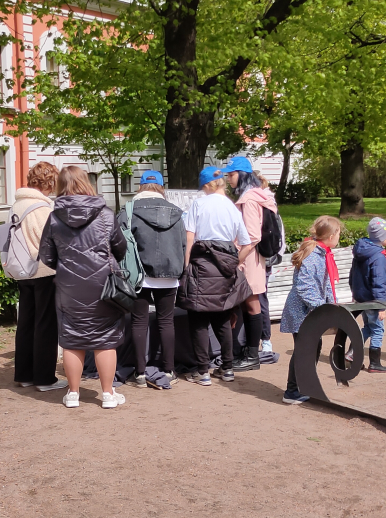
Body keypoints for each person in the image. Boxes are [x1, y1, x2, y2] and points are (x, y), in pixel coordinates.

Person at [39, 165, 128, 408]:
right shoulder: (106, 214)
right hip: (102, 285)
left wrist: (66, 265)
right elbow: (120, 247)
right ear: (87, 182)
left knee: (72, 338)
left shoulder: (54, 216)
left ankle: (73, 393)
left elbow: (46, 255)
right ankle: (108, 394)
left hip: (69, 285)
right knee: (105, 338)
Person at [180, 167, 251, 385]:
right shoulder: (232, 207)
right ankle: (227, 368)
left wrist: (185, 265)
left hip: (201, 265)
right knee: (222, 318)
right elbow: (248, 244)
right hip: (225, 266)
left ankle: (202, 372)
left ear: (205, 186)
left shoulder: (199, 204)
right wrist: (235, 262)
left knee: (199, 319)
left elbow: (189, 236)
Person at [119, 169, 186, 388]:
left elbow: (118, 243)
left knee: (139, 322)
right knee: (166, 321)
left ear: (140, 187)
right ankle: (168, 370)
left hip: (138, 275)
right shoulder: (176, 211)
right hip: (169, 274)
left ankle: (139, 373)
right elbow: (183, 244)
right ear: (161, 187)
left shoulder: (128, 211)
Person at [10, 160, 68, 393]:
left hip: (21, 269)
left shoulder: (16, 206)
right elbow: (53, 241)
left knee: (25, 321)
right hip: (43, 269)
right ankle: (44, 378)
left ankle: (24, 374)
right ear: (50, 182)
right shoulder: (42, 209)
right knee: (46, 324)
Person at [223, 155, 280, 371]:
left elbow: (252, 235)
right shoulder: (260, 196)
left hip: (249, 258)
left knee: (251, 303)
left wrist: (237, 259)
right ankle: (248, 353)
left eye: (232, 174)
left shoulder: (249, 200)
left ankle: (251, 355)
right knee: (250, 303)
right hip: (255, 257)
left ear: (243, 175)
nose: (229, 179)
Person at [279, 216, 341, 404]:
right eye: (338, 233)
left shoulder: (322, 254)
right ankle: (292, 391)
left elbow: (326, 283)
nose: (339, 237)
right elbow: (305, 286)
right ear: (330, 236)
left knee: (313, 347)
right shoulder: (313, 256)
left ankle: (303, 385)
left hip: (310, 310)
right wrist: (321, 307)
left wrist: (331, 305)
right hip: (302, 311)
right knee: (305, 349)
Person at [349, 216, 386, 373]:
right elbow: (378, 282)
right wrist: (381, 306)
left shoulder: (361, 250)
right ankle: (374, 363)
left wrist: (354, 292)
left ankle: (352, 353)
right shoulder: (378, 257)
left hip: (362, 297)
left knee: (368, 327)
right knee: (378, 330)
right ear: (381, 238)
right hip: (373, 300)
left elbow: (352, 274)